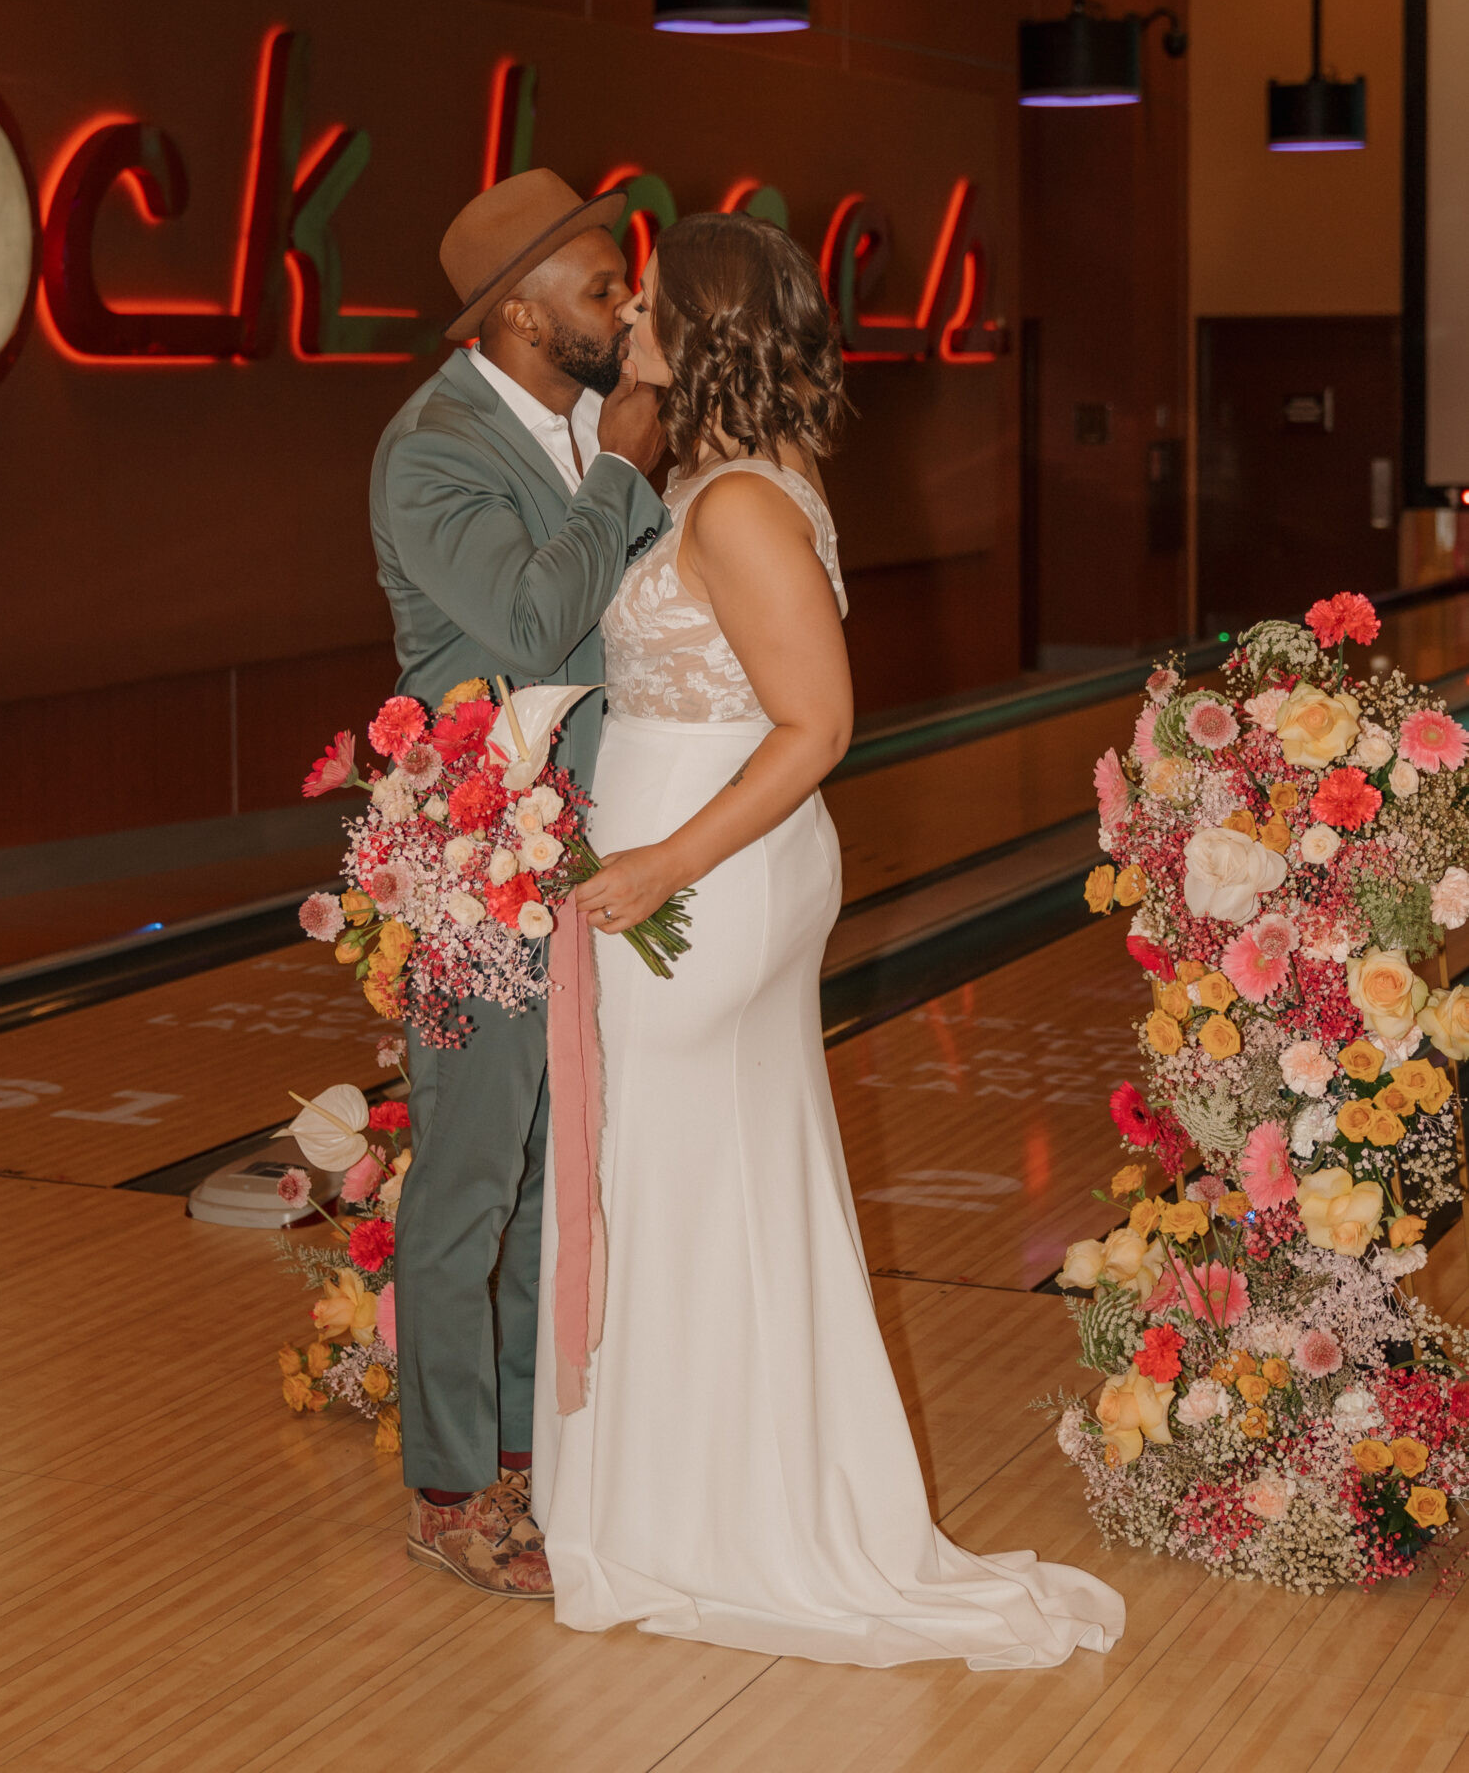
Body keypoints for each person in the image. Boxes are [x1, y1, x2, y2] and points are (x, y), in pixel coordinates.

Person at [532, 211, 1124, 1671]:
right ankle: (707, 1502)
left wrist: (658, 859)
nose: (633, 320)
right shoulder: (748, 476)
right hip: (702, 866)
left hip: (699, 877)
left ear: (714, 332)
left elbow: (821, 724)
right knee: (706, 1183)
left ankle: (710, 1520)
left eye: (658, 304)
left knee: (675, 1180)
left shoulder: (737, 505)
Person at [370, 167, 668, 1600]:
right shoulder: (431, 451)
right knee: (473, 1182)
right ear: (516, 310)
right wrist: (623, 467)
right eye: (604, 285)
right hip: (483, 863)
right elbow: (540, 628)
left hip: (600, 855)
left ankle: (540, 1463)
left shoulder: (582, 432)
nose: (627, 303)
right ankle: (449, 1485)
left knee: (564, 1177)